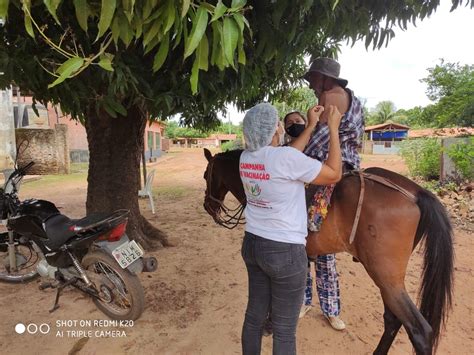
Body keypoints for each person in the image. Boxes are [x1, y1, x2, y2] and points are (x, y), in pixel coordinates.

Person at [240, 102, 343, 355]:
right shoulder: (284, 158)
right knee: (285, 329)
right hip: (285, 252)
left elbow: (288, 157)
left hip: (253, 245)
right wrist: (333, 129)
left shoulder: (247, 157)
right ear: (275, 130)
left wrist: (309, 126)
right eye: (278, 123)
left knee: (254, 318)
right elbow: (333, 174)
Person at [283, 111, 346, 331]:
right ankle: (303, 303)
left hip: (321, 214)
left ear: (308, 122)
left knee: (325, 263)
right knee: (301, 265)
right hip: (294, 216)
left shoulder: (321, 142)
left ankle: (332, 311)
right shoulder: (284, 153)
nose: (294, 124)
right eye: (289, 123)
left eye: (298, 121)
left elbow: (333, 170)